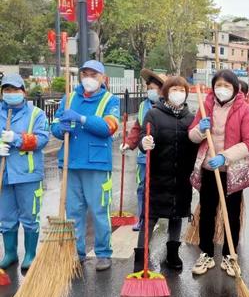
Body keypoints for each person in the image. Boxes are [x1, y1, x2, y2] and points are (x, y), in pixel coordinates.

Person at [51, 60, 120, 271]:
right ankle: (77, 252)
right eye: (85, 74)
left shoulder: (110, 100)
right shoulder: (69, 97)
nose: (89, 78)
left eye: (94, 74)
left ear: (103, 78)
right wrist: (60, 127)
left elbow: (109, 127)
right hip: (70, 163)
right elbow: (55, 126)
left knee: (99, 211)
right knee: (73, 211)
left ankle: (103, 253)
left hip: (96, 164)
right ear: (80, 76)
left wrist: (80, 118)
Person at [189, 69, 249, 276]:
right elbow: (192, 136)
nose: (222, 89)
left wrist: (225, 156)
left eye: (227, 86)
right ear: (213, 86)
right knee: (207, 212)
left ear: (235, 88)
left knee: (232, 214)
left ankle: (229, 256)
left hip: (232, 169)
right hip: (209, 168)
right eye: (219, 85)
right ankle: (207, 254)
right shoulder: (205, 105)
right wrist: (200, 129)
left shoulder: (244, 109)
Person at [138, 76, 197, 271]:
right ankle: (141, 255)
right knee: (150, 215)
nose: (178, 94)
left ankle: (173, 253)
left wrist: (203, 134)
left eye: (182, 90)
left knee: (176, 215)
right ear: (166, 93)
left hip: (181, 177)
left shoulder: (191, 118)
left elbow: (196, 145)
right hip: (157, 175)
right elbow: (144, 136)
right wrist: (144, 142)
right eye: (174, 89)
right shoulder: (154, 114)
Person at [0, 74, 49, 270]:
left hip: (28, 175)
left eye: (15, 90)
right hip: (4, 175)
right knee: (6, 217)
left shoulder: (36, 114)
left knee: (30, 217)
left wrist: (16, 138)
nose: (10, 94)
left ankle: (30, 253)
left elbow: (42, 140)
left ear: (23, 92)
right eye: (6, 90)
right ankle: (10, 253)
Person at [120, 69, 167, 232]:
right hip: (143, 157)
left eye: (153, 88)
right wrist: (128, 143)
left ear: (161, 90)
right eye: (148, 88)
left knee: (158, 188)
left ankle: (157, 218)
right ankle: (143, 219)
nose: (150, 91)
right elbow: (137, 128)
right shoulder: (142, 106)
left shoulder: (167, 105)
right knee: (142, 188)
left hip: (162, 157)